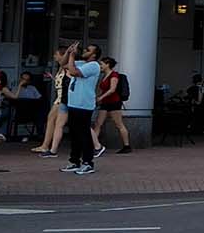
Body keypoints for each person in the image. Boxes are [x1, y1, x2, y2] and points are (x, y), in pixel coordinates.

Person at [61, 44, 101, 176]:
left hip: (84, 104)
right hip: (74, 103)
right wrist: (68, 52)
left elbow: (73, 72)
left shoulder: (93, 65)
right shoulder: (82, 63)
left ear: (94, 55)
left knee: (84, 134)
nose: (84, 51)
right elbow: (63, 64)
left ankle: (88, 163)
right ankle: (74, 161)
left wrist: (72, 56)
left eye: (88, 50)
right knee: (74, 134)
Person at [33, 48, 69, 158]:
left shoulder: (67, 67)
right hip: (59, 97)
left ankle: (47, 146)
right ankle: (46, 145)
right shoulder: (61, 68)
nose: (54, 56)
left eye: (56, 54)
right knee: (52, 119)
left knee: (55, 121)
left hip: (62, 98)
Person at [94, 57, 132, 154]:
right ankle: (93, 145)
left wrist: (100, 98)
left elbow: (112, 89)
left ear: (107, 64)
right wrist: (100, 97)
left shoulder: (114, 75)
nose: (100, 66)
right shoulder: (105, 75)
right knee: (98, 123)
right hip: (105, 102)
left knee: (118, 124)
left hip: (114, 102)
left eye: (102, 64)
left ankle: (127, 146)